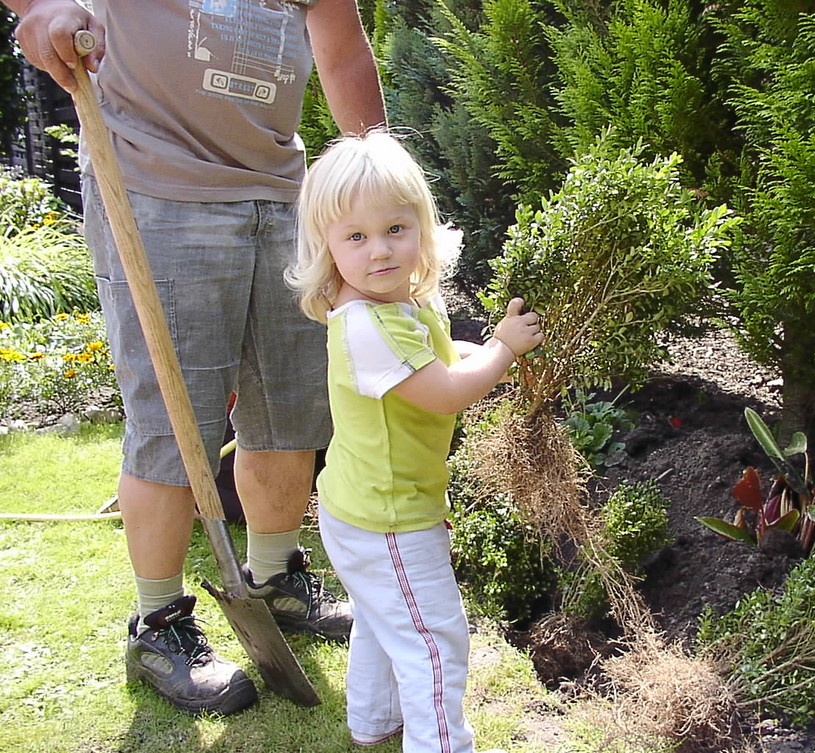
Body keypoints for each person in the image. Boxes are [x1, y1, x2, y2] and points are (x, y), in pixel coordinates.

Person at [5, 0, 386, 716]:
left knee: (291, 408)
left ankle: (274, 578)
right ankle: (158, 624)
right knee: (173, 421)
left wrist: (378, 170)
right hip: (154, 181)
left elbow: (341, 55)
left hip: (282, 191)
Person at [286, 130, 541, 752]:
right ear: (328, 248)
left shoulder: (400, 306)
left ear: (422, 228)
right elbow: (446, 391)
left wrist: (482, 350)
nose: (379, 250)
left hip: (365, 508)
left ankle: (372, 723)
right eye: (356, 237)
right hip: (389, 518)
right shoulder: (370, 326)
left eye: (395, 229)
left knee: (385, 620)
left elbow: (442, 357)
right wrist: (505, 349)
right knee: (433, 641)